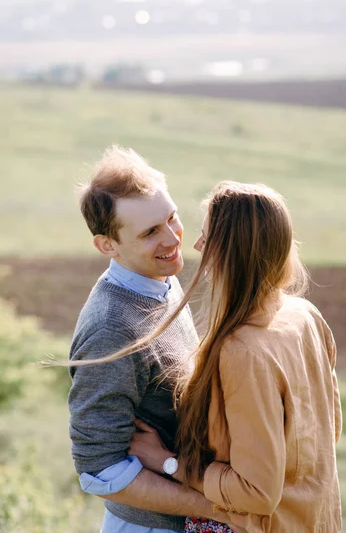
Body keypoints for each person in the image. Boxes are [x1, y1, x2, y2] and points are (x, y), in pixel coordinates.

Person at [114, 181, 342, 532]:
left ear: (230, 252)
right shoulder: (305, 315)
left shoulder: (242, 352)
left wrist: (167, 462)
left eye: (207, 236)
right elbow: (329, 430)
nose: (195, 245)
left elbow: (256, 493)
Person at [68, 147, 231, 533]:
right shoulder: (112, 329)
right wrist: (216, 507)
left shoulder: (161, 278)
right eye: (150, 232)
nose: (174, 238)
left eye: (171, 218)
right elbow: (98, 469)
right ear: (108, 245)